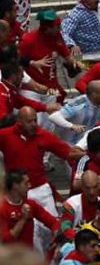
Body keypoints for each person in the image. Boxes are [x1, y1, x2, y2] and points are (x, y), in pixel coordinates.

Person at [0, 107, 83, 250]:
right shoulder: (4, 135)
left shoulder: (43, 135)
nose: (34, 124)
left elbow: (67, 153)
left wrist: (87, 154)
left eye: (35, 120)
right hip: (16, 193)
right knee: (29, 235)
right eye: (29, 121)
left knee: (53, 227)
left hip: (40, 189)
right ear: (19, 122)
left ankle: (55, 258)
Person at [0, 169, 62, 248]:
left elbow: (53, 222)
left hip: (28, 255)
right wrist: (22, 220)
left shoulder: (30, 204)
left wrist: (57, 235)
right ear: (15, 186)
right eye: (26, 183)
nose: (29, 186)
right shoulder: (2, 208)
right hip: (10, 257)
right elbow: (6, 240)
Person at [49, 79, 100, 144]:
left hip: (84, 144)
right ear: (94, 95)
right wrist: (72, 126)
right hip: (69, 146)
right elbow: (53, 117)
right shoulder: (80, 104)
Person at [0, 62, 60, 127]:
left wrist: (45, 107)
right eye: (21, 75)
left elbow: (23, 102)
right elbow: (3, 120)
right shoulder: (3, 93)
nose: (23, 77)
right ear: (13, 77)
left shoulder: (9, 90)